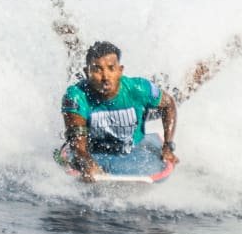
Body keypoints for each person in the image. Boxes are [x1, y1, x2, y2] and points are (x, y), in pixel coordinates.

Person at [60, 41, 177, 182]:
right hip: (92, 132)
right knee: (74, 78)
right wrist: (86, 162)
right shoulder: (76, 96)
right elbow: (77, 142)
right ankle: (72, 43)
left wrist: (168, 145)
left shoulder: (138, 88)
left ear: (120, 70)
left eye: (111, 68)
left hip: (142, 113)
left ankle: (194, 79)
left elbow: (169, 104)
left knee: (177, 98)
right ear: (87, 72)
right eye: (97, 69)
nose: (105, 77)